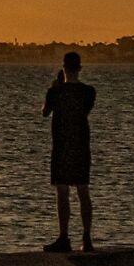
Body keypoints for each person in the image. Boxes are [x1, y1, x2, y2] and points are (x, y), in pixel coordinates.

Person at [41, 51, 96, 252]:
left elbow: (45, 112)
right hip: (81, 145)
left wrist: (56, 87)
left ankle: (64, 237)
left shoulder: (55, 92)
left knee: (62, 191)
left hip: (62, 146)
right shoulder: (89, 92)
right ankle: (87, 236)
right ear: (79, 69)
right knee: (83, 190)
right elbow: (85, 111)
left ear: (63, 68)